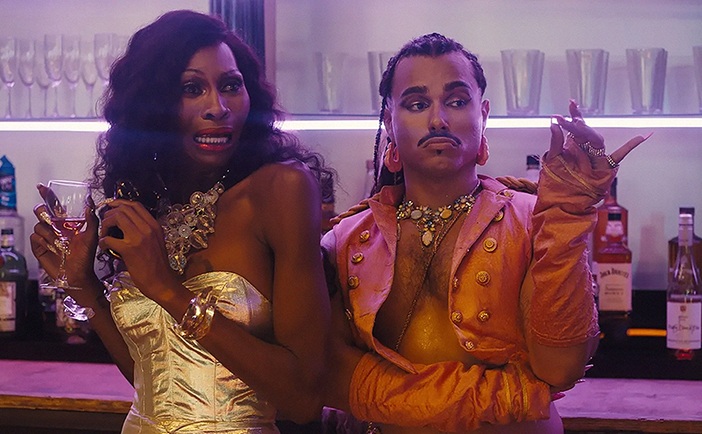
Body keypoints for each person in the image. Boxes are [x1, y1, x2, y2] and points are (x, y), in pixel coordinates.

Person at [321, 33, 648, 433]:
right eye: (417, 104)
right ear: (389, 121)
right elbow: (327, 375)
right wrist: (509, 395)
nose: (438, 120)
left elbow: (560, 368)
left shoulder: (533, 221)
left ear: (484, 113)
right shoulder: (347, 241)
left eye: (457, 101)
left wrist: (568, 217)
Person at [29, 10, 333, 434]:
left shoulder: (279, 190)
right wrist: (82, 284)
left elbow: (303, 398)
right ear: (151, 107)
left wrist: (167, 289)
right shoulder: (150, 203)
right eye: (192, 89)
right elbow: (153, 380)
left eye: (231, 85)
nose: (218, 108)